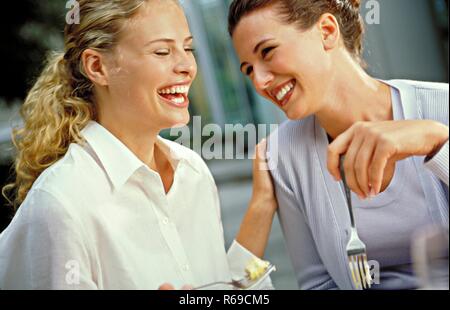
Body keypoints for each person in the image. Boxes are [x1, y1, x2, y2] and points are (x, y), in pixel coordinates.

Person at [0, 0, 277, 290]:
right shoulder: (61, 203)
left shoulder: (193, 173)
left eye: (188, 48)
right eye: (162, 51)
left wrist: (262, 204)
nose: (187, 67)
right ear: (98, 66)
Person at [228, 0, 449, 289]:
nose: (259, 82)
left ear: (327, 31)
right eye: (248, 70)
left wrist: (437, 143)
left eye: (267, 52)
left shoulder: (440, 107)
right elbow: (317, 284)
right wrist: (261, 203)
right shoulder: (284, 154)